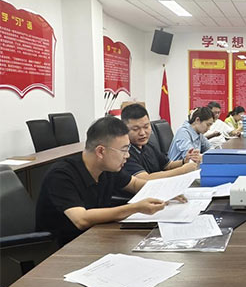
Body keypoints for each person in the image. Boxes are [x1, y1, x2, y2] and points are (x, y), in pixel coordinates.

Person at [36, 116, 173, 246]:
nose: (127, 155)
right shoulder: (61, 175)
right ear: (101, 151)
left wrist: (166, 190)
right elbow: (81, 219)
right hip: (61, 248)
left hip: (95, 238)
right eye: (124, 150)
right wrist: (135, 207)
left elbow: (135, 184)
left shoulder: (107, 168)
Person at [120, 103, 199, 180]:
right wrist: (183, 170)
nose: (142, 133)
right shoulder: (125, 153)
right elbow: (144, 179)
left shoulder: (149, 145)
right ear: (124, 129)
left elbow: (168, 165)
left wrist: (184, 161)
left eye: (146, 127)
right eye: (136, 129)